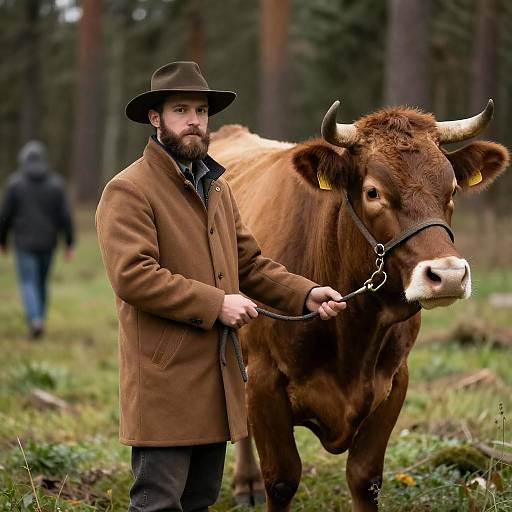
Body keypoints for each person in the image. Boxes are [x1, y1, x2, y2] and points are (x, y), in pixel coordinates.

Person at [95, 61, 346, 512]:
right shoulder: (128, 190)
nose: (194, 120)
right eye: (180, 110)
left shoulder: (216, 188)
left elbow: (248, 264)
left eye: (200, 110)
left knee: (200, 501)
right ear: (156, 119)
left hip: (218, 378)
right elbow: (132, 275)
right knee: (158, 502)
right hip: (165, 380)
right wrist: (217, 304)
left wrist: (306, 293)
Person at [0, 140, 74, 339]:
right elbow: (65, 216)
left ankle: (35, 320)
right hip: (48, 243)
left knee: (27, 282)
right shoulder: (56, 184)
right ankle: (39, 318)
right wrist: (69, 243)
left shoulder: (15, 184)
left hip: (24, 242)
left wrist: (3, 240)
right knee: (41, 282)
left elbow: (5, 215)